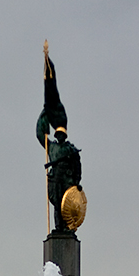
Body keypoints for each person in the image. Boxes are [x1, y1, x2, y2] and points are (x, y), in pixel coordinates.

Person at [36, 50, 82, 232]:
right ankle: (57, 228)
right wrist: (43, 116)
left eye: (62, 134)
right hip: (56, 178)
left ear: (65, 135)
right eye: (58, 134)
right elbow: (40, 135)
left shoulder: (71, 149)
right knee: (57, 207)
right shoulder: (52, 148)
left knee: (65, 207)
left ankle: (67, 228)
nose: (60, 136)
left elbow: (78, 165)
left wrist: (77, 181)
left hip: (68, 179)